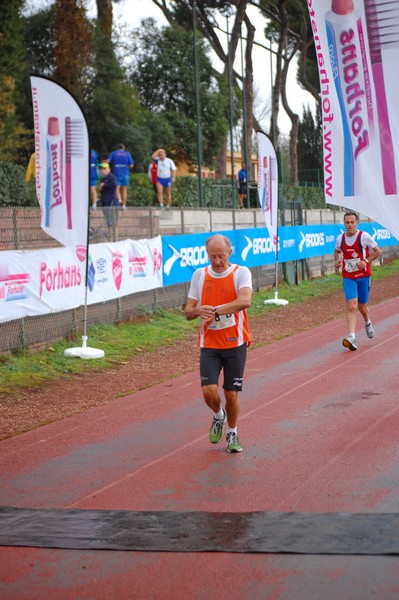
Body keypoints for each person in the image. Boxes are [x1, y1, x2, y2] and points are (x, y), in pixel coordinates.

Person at [184, 234, 252, 453]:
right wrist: (198, 311)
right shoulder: (200, 275)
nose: (216, 261)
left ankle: (232, 432)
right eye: (212, 256)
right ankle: (218, 415)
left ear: (229, 253)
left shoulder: (241, 273)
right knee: (208, 391)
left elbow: (245, 301)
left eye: (221, 256)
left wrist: (215, 311)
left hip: (235, 343)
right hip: (210, 343)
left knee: (231, 394)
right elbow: (188, 311)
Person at [334, 211, 382, 351]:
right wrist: (337, 261)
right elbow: (337, 251)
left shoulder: (364, 237)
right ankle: (352, 337)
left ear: (356, 223)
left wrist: (365, 261)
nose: (349, 225)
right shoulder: (340, 238)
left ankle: (367, 322)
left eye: (352, 222)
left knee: (362, 307)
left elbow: (378, 251)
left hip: (363, 276)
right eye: (347, 222)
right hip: (348, 276)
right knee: (351, 305)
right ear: (344, 223)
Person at [107, 143, 135, 209]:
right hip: (125, 174)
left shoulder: (113, 153)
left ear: (117, 148)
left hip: (117, 173)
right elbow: (131, 165)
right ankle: (124, 205)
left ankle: (119, 200)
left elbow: (108, 161)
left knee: (117, 188)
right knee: (124, 190)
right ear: (123, 148)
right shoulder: (127, 154)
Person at [99, 162, 118, 231]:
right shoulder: (103, 179)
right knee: (108, 222)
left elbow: (113, 184)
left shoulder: (111, 177)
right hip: (105, 202)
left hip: (111, 202)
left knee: (113, 222)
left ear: (108, 169)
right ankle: (110, 238)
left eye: (104, 169)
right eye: (101, 169)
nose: (102, 171)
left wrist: (103, 185)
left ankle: (115, 238)